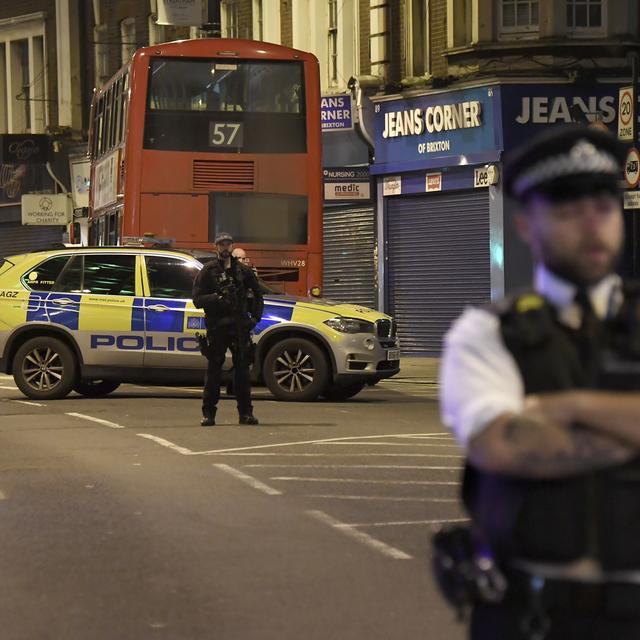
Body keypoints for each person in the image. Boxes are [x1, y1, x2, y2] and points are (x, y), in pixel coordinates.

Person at [439, 125, 640, 639]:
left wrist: (566, 406)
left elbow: (535, 434)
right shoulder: (485, 334)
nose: (591, 224)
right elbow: (504, 447)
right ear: (526, 224)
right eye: (568, 211)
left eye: (603, 206)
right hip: (532, 620)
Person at [192, 232, 264, 426]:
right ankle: (209, 414)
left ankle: (245, 413)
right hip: (218, 327)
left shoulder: (243, 271)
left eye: (228, 244)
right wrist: (217, 298)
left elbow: (258, 294)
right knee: (214, 369)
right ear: (216, 247)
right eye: (221, 244)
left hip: (240, 327)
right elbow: (197, 300)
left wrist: (255, 317)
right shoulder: (208, 271)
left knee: (242, 371)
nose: (225, 248)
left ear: (232, 246)